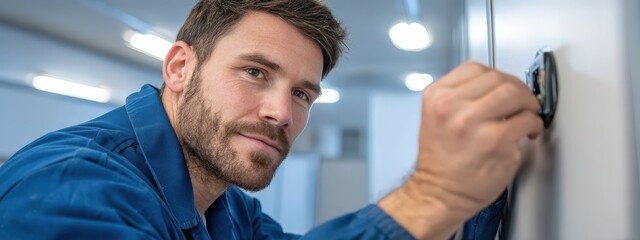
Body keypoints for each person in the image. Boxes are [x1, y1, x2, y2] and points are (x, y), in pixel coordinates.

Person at [0, 0, 543, 239]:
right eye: (256, 72)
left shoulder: (225, 204)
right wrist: (429, 196)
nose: (282, 113)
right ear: (180, 67)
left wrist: (474, 193)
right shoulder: (75, 184)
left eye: (303, 94)